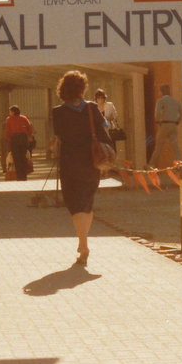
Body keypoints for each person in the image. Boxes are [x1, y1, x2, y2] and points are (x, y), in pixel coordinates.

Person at [51, 71, 114, 266]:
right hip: (92, 162)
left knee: (75, 204)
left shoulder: (58, 112)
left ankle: (83, 244)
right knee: (87, 202)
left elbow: (58, 136)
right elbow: (106, 125)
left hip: (70, 162)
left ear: (62, 89)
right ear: (82, 88)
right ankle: (83, 242)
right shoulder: (92, 107)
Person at [148, 84, 182, 167]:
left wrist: (158, 121)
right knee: (175, 147)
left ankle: (151, 165)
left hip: (164, 124)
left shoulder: (160, 101)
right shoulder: (175, 101)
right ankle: (181, 164)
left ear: (162, 92)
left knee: (158, 147)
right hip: (173, 125)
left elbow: (157, 113)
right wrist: (177, 121)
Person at [4, 105, 34, 181]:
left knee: (16, 158)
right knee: (23, 157)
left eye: (10, 111)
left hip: (14, 139)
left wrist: (9, 139)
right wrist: (27, 136)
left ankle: (19, 176)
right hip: (23, 138)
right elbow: (30, 128)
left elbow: (7, 131)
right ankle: (24, 175)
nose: (10, 113)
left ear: (13, 112)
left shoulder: (9, 119)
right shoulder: (24, 118)